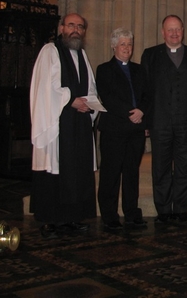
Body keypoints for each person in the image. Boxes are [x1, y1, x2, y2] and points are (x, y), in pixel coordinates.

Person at [29, 13, 99, 239]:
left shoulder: (82, 55)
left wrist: (89, 102)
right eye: (71, 25)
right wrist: (70, 100)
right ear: (61, 28)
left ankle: (72, 218)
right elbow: (45, 88)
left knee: (78, 169)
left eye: (80, 26)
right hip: (58, 122)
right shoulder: (50, 51)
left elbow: (90, 87)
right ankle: (53, 220)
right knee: (57, 169)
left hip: (78, 121)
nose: (76, 30)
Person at [141, 15, 187, 224]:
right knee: (161, 168)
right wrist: (146, 123)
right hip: (160, 123)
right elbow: (146, 91)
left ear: (183, 31)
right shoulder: (150, 55)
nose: (174, 33)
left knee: (185, 168)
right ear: (163, 32)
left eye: (177, 29)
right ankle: (164, 211)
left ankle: (181, 210)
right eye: (170, 30)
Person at [96, 28, 148, 231]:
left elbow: (147, 95)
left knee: (131, 172)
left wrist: (142, 111)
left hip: (135, 130)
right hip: (114, 129)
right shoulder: (104, 70)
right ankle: (109, 215)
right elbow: (108, 98)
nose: (127, 48)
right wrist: (131, 113)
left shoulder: (139, 69)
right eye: (123, 44)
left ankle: (132, 213)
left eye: (129, 44)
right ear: (114, 46)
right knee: (110, 173)